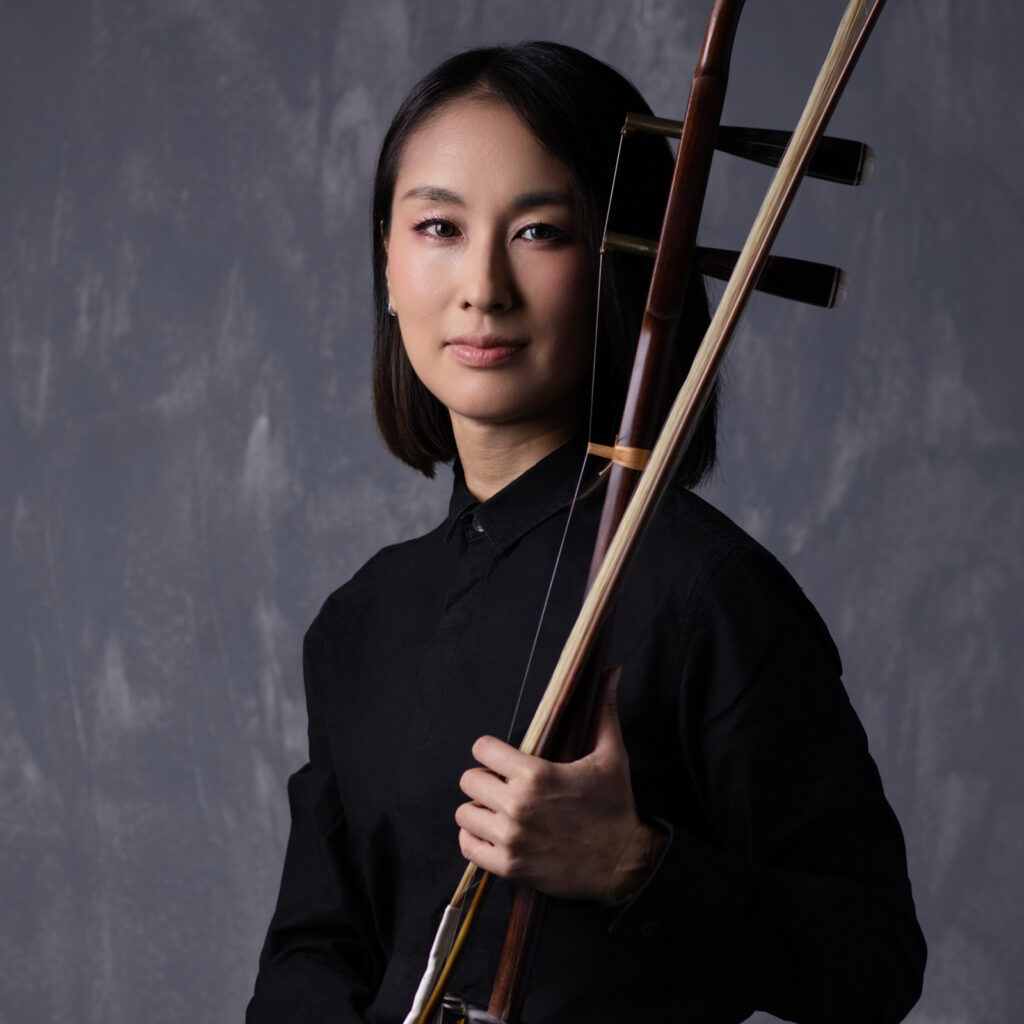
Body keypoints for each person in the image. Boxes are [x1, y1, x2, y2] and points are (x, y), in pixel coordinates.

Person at [247, 41, 925, 1024]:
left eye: (540, 232)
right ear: (387, 263)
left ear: (630, 257)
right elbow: (317, 949)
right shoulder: (360, 619)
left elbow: (873, 957)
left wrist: (633, 865)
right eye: (438, 227)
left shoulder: (702, 590)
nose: (483, 285)